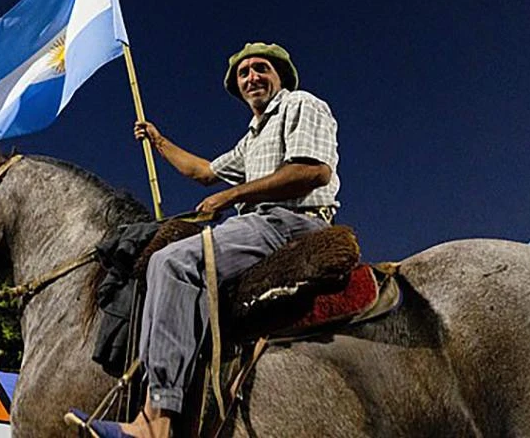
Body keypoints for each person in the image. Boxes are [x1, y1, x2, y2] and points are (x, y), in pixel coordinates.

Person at [85, 42, 341, 438]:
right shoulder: (252, 137)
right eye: (244, 73)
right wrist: (158, 140)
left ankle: (157, 419)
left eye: (261, 68)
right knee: (161, 258)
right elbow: (204, 172)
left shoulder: (301, 105)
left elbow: (313, 171)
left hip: (291, 221)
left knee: (172, 263)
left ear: (280, 76)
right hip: (260, 223)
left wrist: (232, 195)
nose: (252, 77)